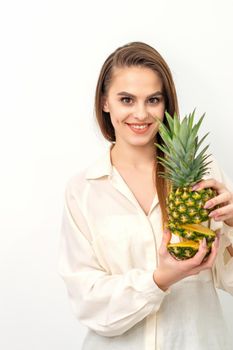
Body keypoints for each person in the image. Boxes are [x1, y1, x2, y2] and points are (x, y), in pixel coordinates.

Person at [57, 41, 233, 349]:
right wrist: (159, 279)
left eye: (153, 100)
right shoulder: (83, 190)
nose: (141, 114)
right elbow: (88, 302)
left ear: (165, 104)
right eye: (126, 99)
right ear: (105, 102)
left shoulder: (203, 178)